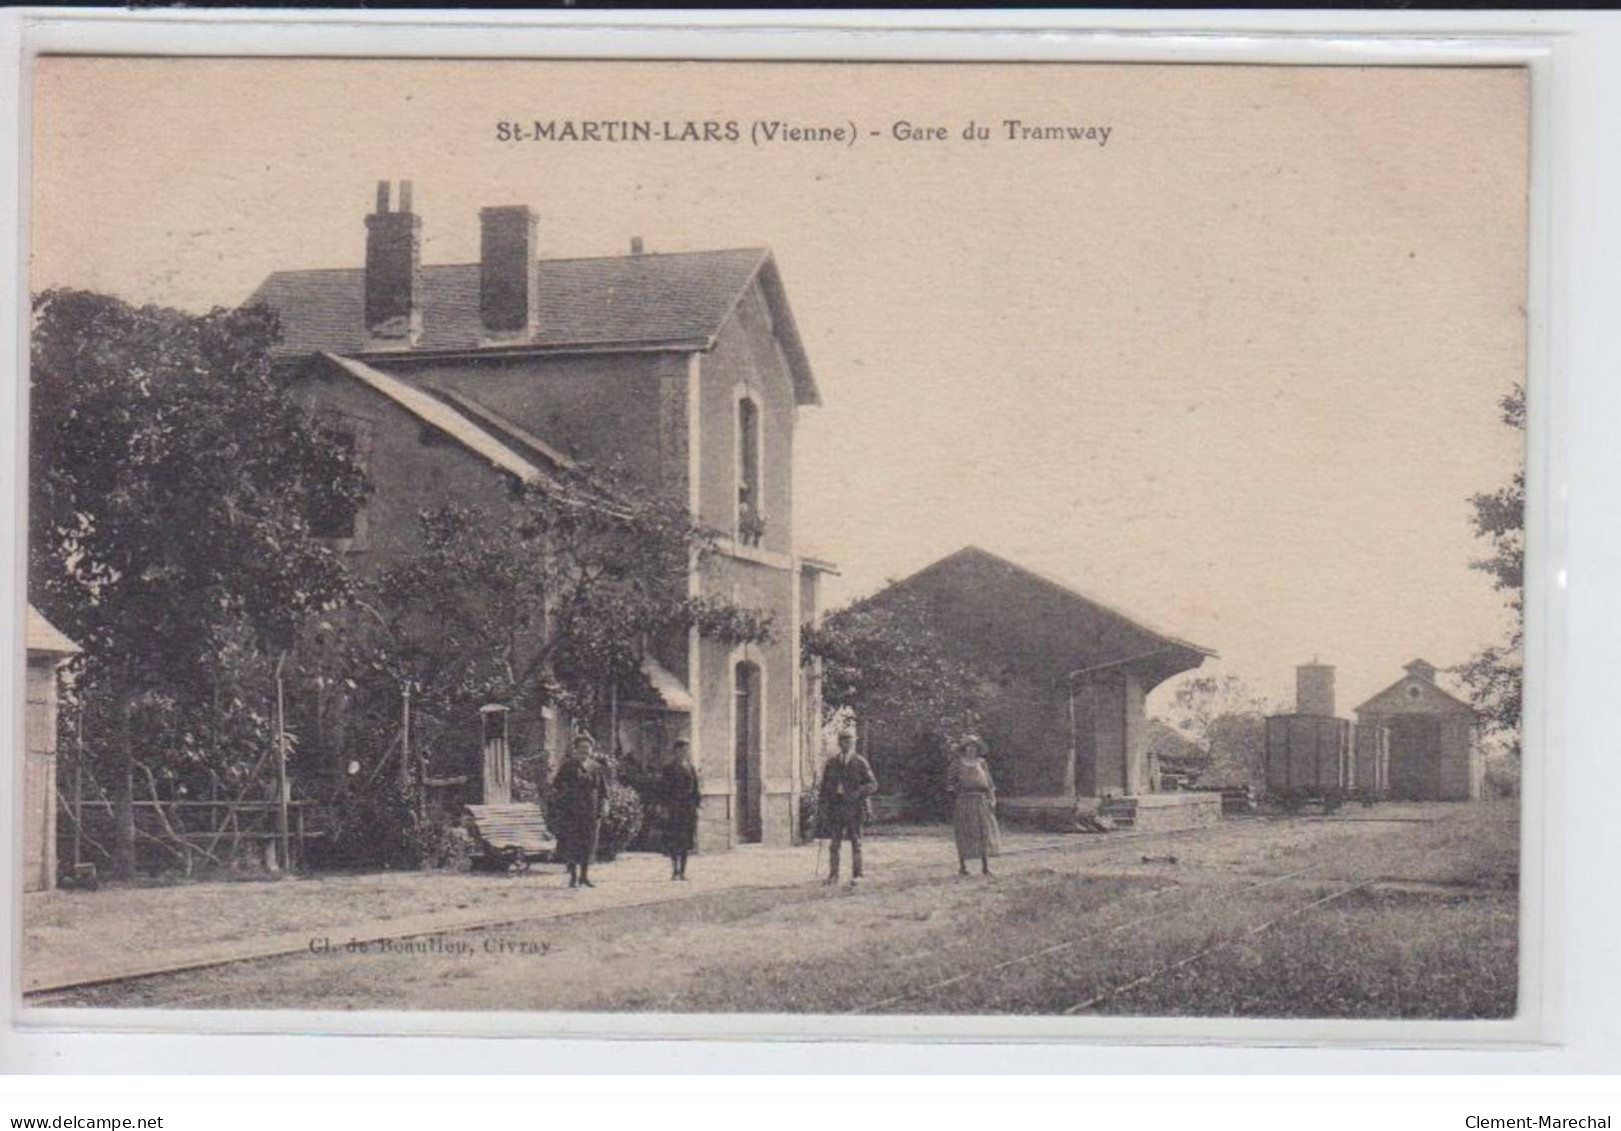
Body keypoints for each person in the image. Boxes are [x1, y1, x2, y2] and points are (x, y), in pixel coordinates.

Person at [817, 731, 878, 889]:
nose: (847, 744)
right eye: (844, 741)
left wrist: (858, 792)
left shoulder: (860, 762)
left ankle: (857, 875)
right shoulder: (831, 763)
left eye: (850, 741)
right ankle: (833, 875)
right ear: (839, 743)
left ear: (853, 743)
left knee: (856, 843)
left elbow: (873, 784)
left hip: (854, 808)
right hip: (836, 809)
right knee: (834, 844)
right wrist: (823, 808)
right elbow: (824, 788)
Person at [552, 733, 609, 889]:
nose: (585, 750)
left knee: (588, 843)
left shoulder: (596, 767)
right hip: (572, 812)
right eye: (582, 748)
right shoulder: (568, 766)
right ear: (576, 749)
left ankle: (585, 876)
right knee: (573, 844)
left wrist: (604, 805)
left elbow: (603, 789)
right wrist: (566, 799)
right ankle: (573, 876)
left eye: (588, 748)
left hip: (591, 811)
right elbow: (557, 785)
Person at [947, 735, 1002, 876]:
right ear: (964, 749)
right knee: (965, 832)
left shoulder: (982, 763)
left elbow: (989, 784)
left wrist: (992, 799)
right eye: (968, 747)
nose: (971, 750)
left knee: (983, 831)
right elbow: (950, 785)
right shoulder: (957, 763)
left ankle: (985, 867)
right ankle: (963, 867)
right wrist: (957, 794)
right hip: (964, 801)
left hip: (981, 801)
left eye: (974, 747)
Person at [658, 738, 701, 881]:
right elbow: (663, 789)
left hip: (688, 808)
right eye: (681, 750)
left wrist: (697, 805)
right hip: (674, 808)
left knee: (686, 840)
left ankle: (682, 871)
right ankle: (674, 870)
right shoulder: (669, 768)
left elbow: (696, 788)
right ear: (676, 751)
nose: (684, 753)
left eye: (686, 750)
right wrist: (664, 807)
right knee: (674, 839)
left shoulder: (690, 767)